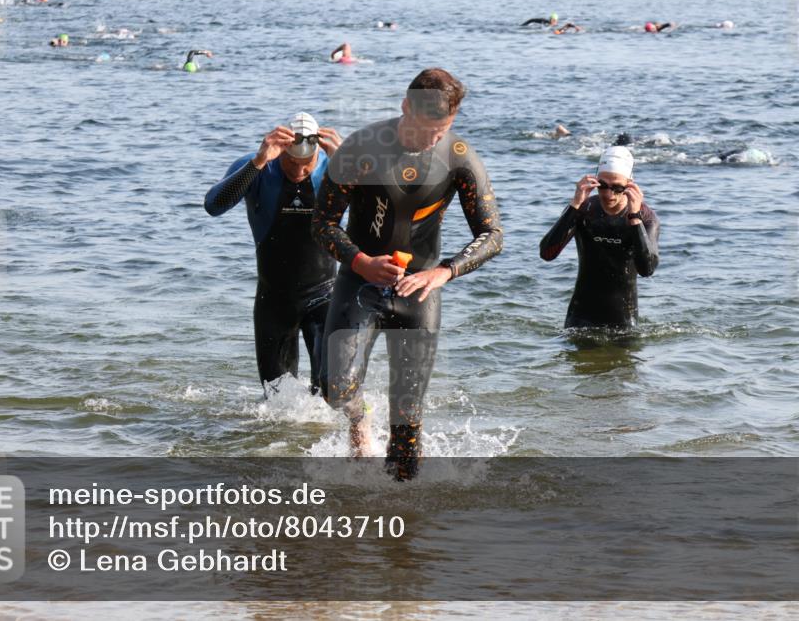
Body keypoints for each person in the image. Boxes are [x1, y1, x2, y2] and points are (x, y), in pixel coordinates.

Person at [312, 68, 503, 480]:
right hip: (361, 281)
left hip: (419, 291)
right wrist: (361, 262)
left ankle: (405, 513)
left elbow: (492, 235)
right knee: (336, 390)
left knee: (407, 420)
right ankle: (359, 417)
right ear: (406, 108)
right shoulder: (362, 147)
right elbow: (322, 223)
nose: (434, 139)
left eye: (443, 129)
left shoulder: (458, 156)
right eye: (427, 129)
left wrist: (443, 273)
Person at [204, 114, 344, 397]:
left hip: (325, 295)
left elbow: (380, 209)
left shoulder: (335, 168)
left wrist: (350, 165)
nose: (299, 171)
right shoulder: (257, 166)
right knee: (278, 401)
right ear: (280, 152)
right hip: (274, 301)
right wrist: (258, 162)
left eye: (307, 164)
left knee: (334, 392)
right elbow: (214, 206)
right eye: (291, 162)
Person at [539, 145, 659, 329]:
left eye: (617, 187)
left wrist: (634, 218)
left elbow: (647, 269)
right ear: (594, 181)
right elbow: (547, 253)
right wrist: (574, 205)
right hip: (579, 318)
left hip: (623, 322)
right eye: (602, 186)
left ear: (630, 184)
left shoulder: (645, 217)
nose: (608, 194)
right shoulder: (583, 210)